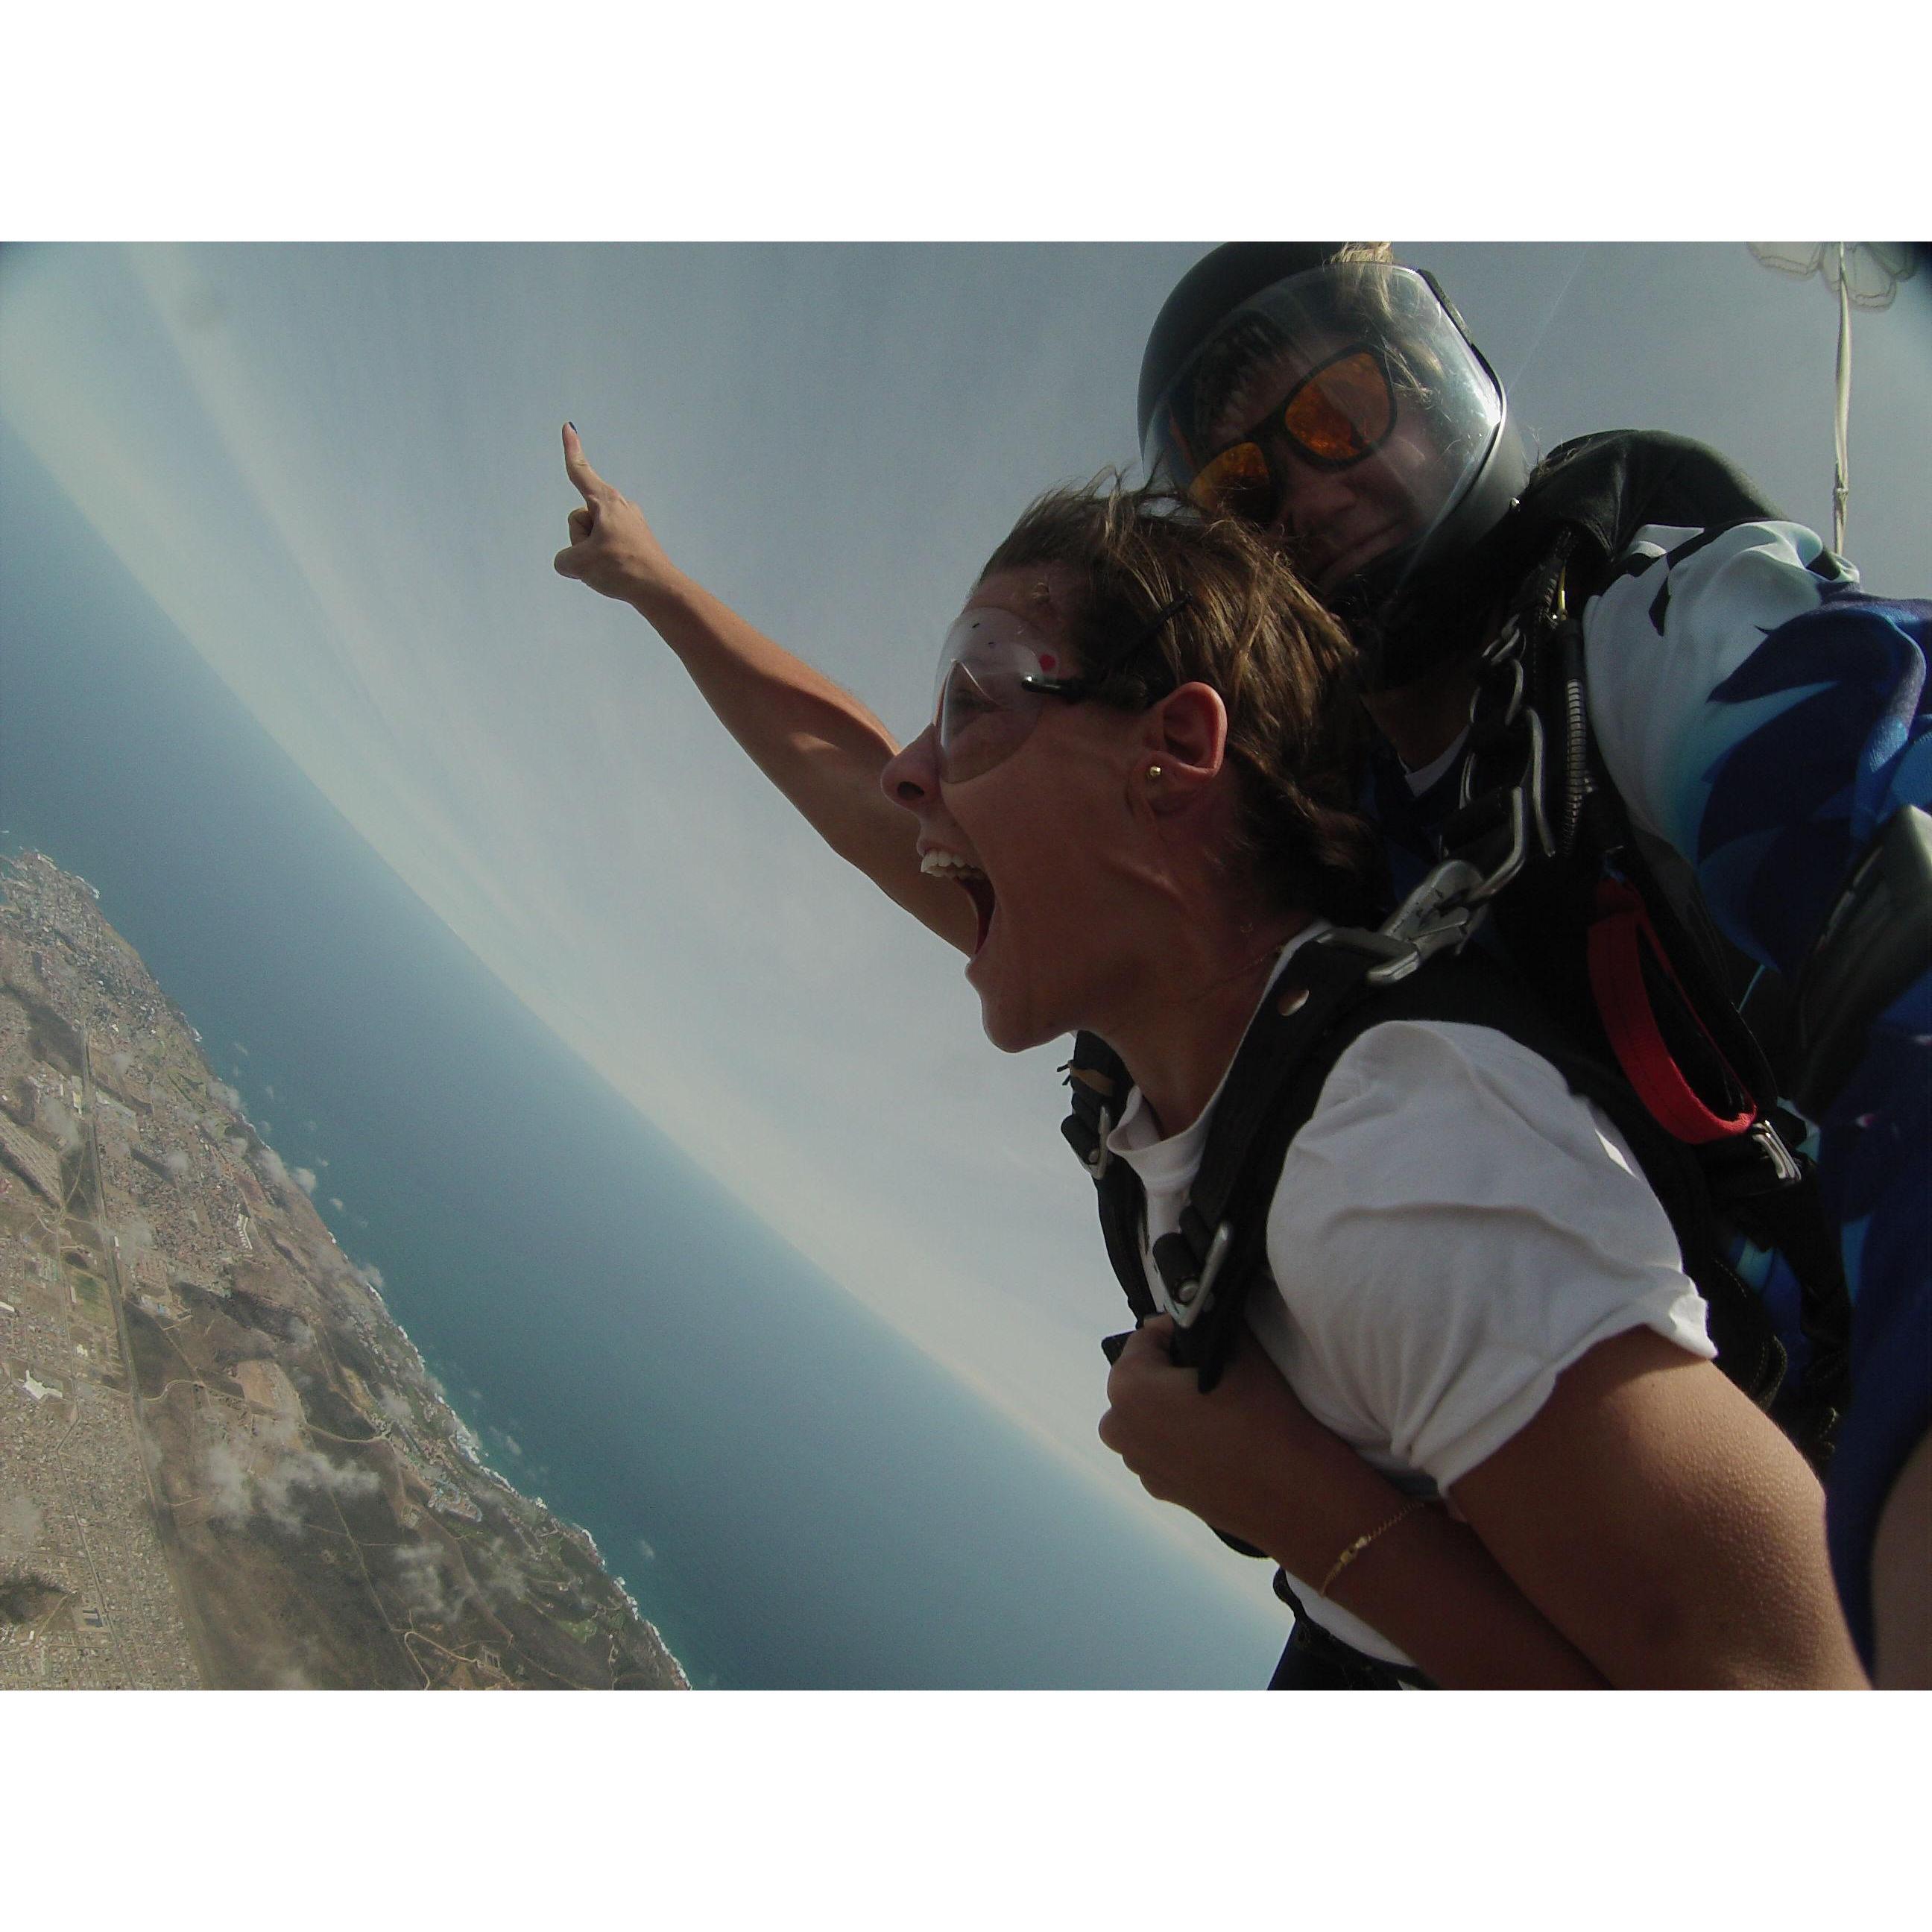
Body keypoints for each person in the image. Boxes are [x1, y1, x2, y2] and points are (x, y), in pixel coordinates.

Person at [556, 446, 1864, 1686]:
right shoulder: (1194, 1052)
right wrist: (656, 583)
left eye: (973, 702)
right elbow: (842, 778)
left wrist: (1309, 1514)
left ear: (1173, 754)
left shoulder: (1394, 1169)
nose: (912, 773)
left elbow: (1794, 1692)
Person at [1131, 243, 1930, 1685]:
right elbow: (991, 853)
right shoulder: (1311, 838)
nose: (1310, 495)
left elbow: (1888, 867)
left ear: (1448, 390)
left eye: (1341, 410)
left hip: (1795, 1528)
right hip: (1500, 1535)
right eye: (1246, 492)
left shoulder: (1655, 646)